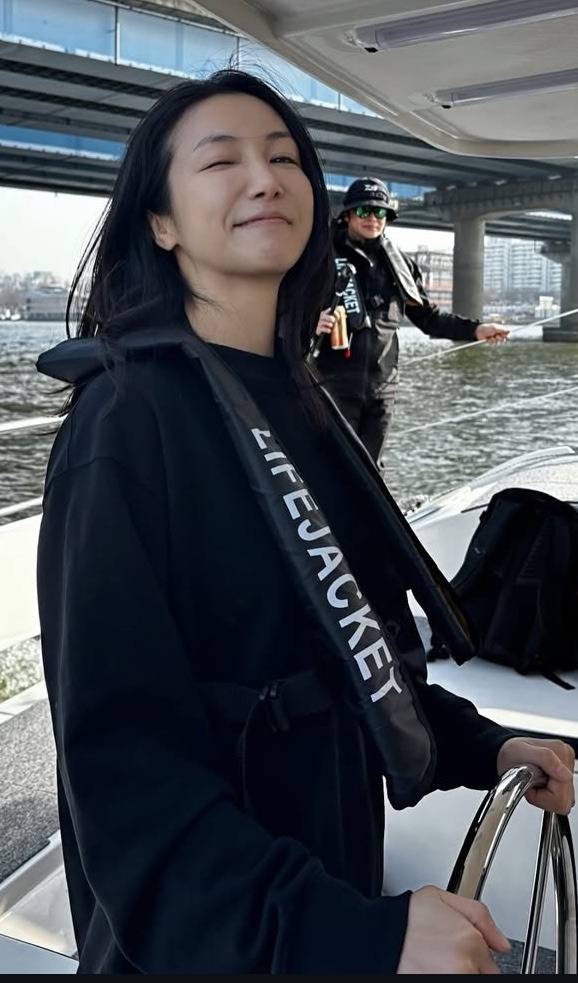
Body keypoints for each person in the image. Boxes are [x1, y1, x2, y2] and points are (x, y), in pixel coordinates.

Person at [36, 71, 574, 975]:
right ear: (160, 222)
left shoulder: (302, 402)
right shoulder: (124, 425)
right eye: (223, 161)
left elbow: (356, 651)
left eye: (285, 158)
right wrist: (353, 933)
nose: (265, 178)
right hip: (222, 940)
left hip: (326, 886)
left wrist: (484, 744)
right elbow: (125, 773)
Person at [312, 178, 510, 468]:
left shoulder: (400, 265)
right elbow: (285, 305)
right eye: (364, 210)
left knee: (371, 470)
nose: (372, 218)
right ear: (347, 215)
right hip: (332, 386)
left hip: (382, 388)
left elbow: (429, 319)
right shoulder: (319, 257)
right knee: (331, 468)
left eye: (380, 212)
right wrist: (310, 320)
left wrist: (477, 329)